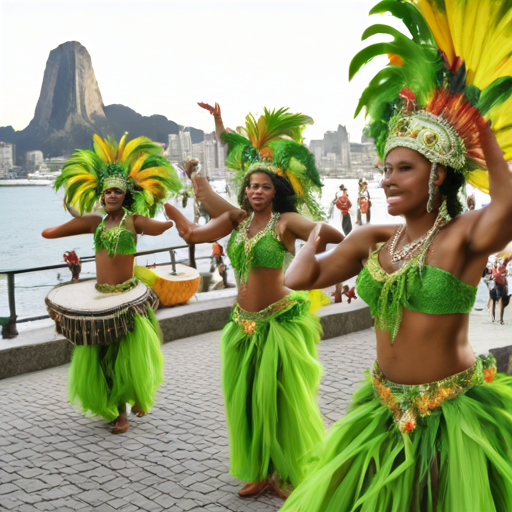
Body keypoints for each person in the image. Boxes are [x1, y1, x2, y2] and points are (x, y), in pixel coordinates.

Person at [280, 1, 512, 510]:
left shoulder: (463, 237)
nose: (386, 179)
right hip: (383, 408)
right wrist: (314, 241)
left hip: (453, 414)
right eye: (385, 168)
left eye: (402, 168)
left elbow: (508, 208)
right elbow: (302, 279)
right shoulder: (373, 239)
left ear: (439, 175)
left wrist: (485, 132)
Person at [165, 103, 344, 498]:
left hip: (279, 323)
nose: (255, 191)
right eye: (250, 186)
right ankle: (260, 470)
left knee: (281, 399)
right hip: (241, 324)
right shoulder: (238, 221)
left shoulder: (286, 222)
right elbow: (199, 229)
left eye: (263, 186)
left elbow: (330, 234)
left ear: (275, 191)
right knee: (246, 398)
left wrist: (311, 251)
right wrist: (183, 225)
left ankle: (285, 473)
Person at [42, 134, 181, 434]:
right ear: (101, 197)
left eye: (118, 191)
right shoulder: (96, 223)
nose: (112, 196)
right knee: (103, 354)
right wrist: (51, 231)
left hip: (126, 299)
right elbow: (61, 229)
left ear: (126, 195)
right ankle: (119, 404)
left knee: (124, 358)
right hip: (101, 298)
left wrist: (172, 220)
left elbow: (160, 228)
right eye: (108, 193)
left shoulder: (134, 221)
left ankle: (124, 414)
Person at [491, 257, 511, 324]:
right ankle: (498, 318)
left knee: (499, 302)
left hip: (500, 286)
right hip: (499, 286)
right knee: (499, 301)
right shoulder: (501, 268)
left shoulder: (503, 267)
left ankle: (498, 318)